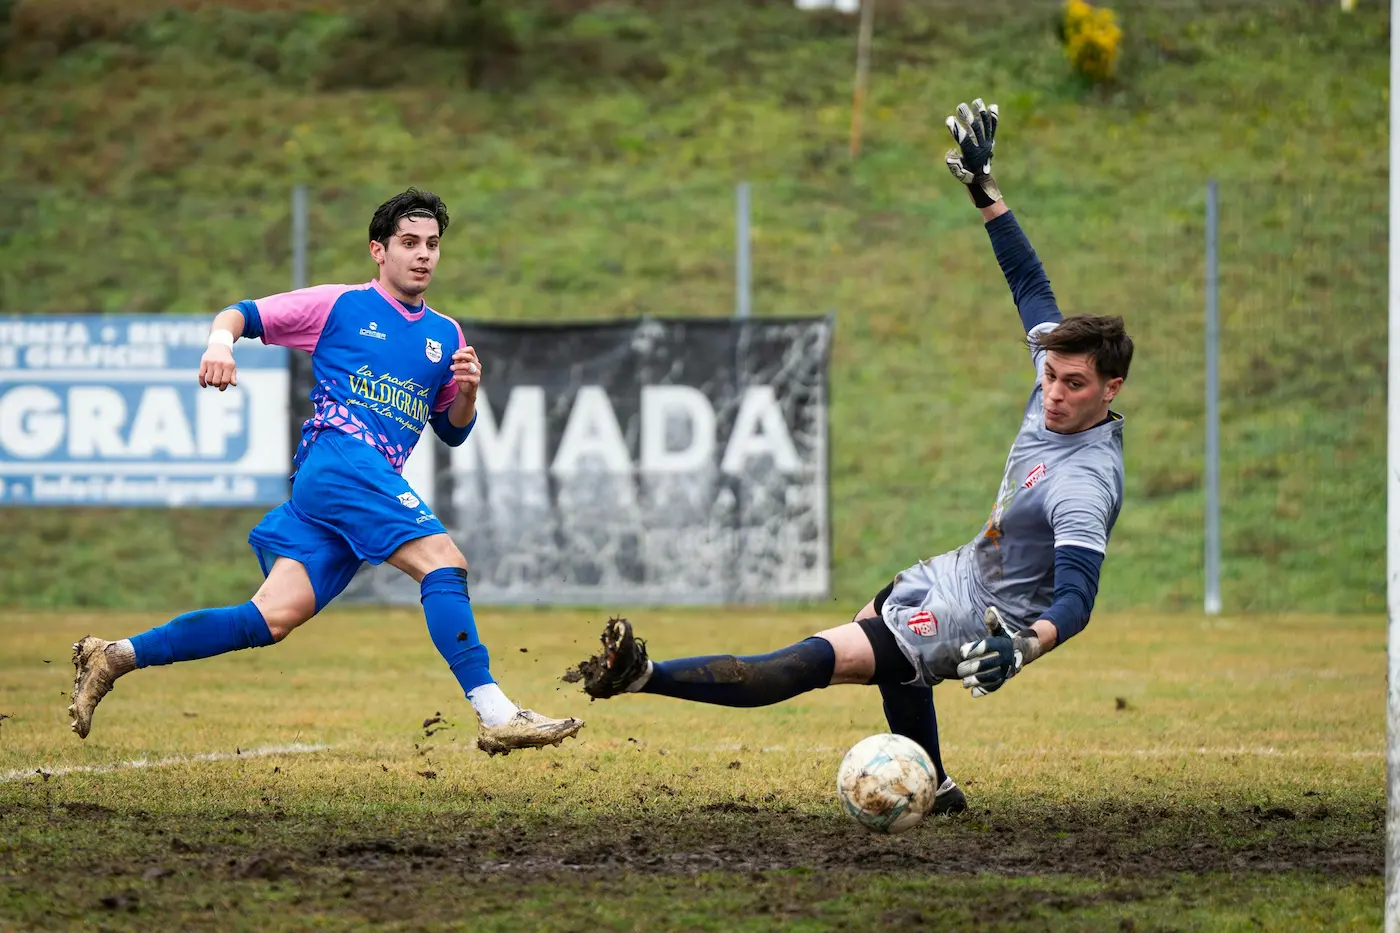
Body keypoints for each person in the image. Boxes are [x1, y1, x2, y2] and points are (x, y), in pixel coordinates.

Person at [568, 99, 1131, 815]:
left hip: (979, 620)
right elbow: (1029, 285)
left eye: (1073, 384)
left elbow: (1077, 600)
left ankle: (646, 675)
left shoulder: (1085, 483)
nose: (1052, 392)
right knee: (886, 651)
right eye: (1048, 375)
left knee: (814, 659)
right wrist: (985, 190)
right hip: (956, 571)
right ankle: (938, 788)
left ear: (1111, 389)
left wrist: (1023, 647)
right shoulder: (1056, 372)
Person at [69, 188, 585, 756]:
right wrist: (220, 345)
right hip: (341, 460)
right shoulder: (339, 305)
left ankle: (115, 655)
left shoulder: (446, 335)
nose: (423, 254)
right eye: (409, 242)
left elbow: (453, 430)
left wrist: (467, 393)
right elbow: (241, 314)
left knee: (270, 618)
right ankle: (497, 713)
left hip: (352, 483)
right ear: (378, 250)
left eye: (432, 244)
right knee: (443, 562)